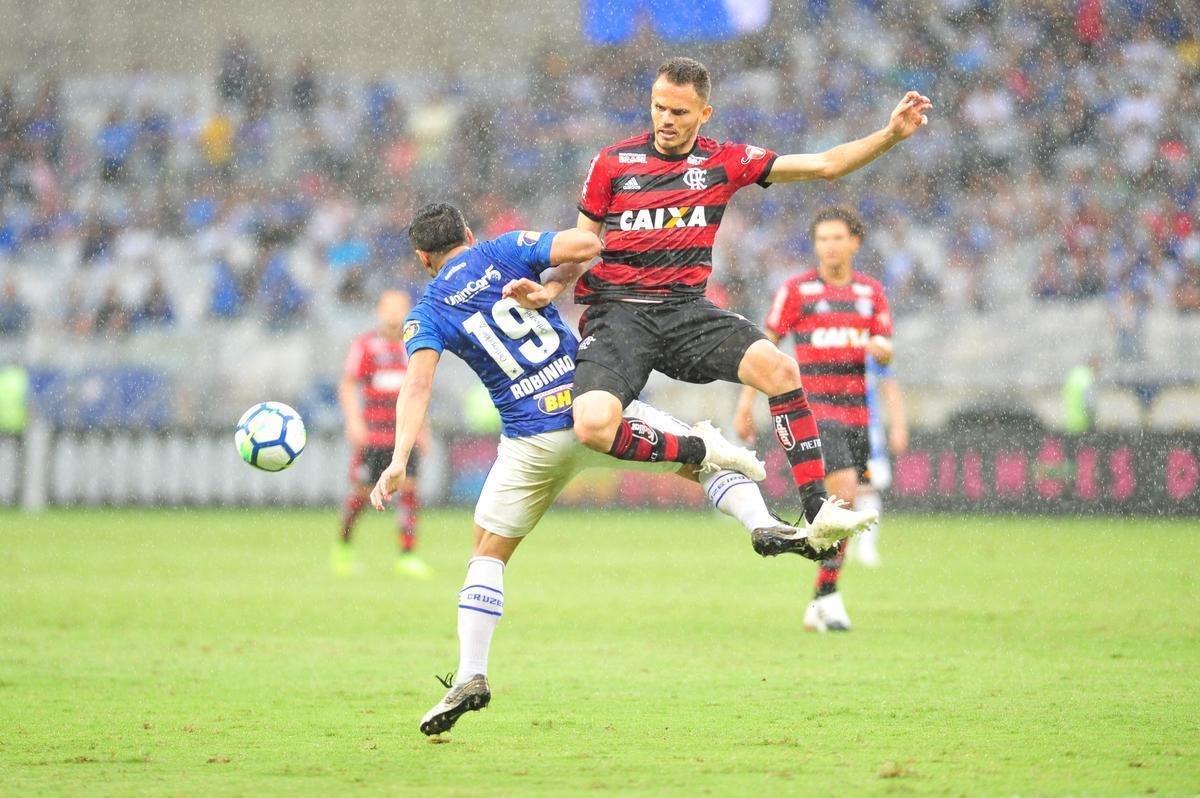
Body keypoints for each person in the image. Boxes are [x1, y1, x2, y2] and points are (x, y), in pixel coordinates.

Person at [369, 203, 856, 736]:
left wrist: (397, 460)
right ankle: (760, 521)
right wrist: (550, 280)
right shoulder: (503, 249)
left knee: (487, 551)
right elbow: (587, 245)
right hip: (592, 401)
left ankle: (472, 674)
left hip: (531, 439)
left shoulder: (428, 310)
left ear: (422, 258)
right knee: (698, 458)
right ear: (466, 232)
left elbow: (416, 385)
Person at [544, 56, 926, 540]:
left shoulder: (725, 160)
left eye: (680, 113)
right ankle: (700, 449)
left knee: (782, 370)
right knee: (594, 427)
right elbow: (582, 246)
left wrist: (890, 134)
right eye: (659, 107)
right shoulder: (613, 162)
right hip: (619, 315)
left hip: (686, 312)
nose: (666, 120)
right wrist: (552, 285)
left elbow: (826, 165)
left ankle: (817, 512)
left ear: (704, 114)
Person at [734, 206, 894, 632]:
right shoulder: (796, 291)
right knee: (841, 497)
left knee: (849, 503)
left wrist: (882, 351)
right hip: (816, 412)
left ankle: (823, 595)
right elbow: (763, 347)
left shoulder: (871, 293)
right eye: (823, 238)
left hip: (857, 414)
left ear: (854, 242)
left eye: (838, 238)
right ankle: (826, 599)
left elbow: (886, 347)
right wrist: (745, 403)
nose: (830, 246)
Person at [335, 289, 432, 579]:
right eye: (388, 307)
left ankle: (407, 554)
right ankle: (343, 547)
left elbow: (419, 390)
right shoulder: (365, 345)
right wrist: (353, 421)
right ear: (378, 310)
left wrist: (422, 429)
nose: (394, 313)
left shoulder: (413, 345)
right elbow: (348, 384)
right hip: (374, 435)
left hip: (403, 436)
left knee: (410, 490)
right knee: (362, 495)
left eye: (400, 307)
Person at [849, 355, 908, 569]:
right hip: (835, 425)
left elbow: (889, 387)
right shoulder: (831, 344)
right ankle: (841, 545)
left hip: (866, 428)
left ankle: (866, 545)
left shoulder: (872, 352)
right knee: (841, 488)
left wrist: (898, 426)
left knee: (867, 487)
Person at [1063, 357, 1100, 436]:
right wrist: (1094, 423)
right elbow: (1090, 405)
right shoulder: (1088, 379)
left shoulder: (1075, 374)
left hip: (1070, 423)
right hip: (1083, 425)